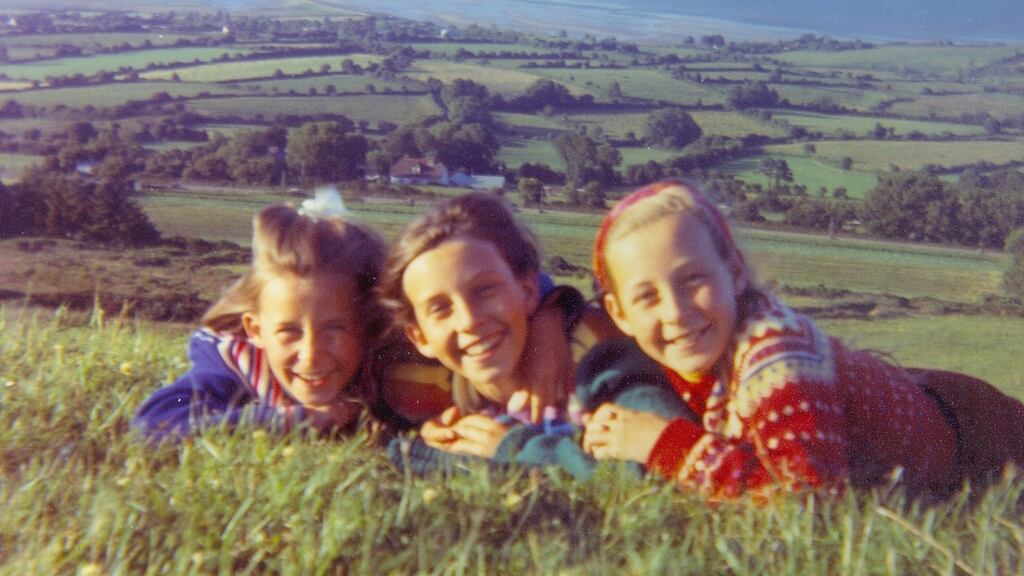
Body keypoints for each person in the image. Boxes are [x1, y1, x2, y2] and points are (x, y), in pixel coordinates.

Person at [581, 180, 1024, 499]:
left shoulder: (778, 361)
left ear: (734, 272)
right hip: (931, 401)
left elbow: (805, 502)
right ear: (620, 314)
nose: (676, 311)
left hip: (982, 443)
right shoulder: (697, 345)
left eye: (693, 278)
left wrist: (665, 445)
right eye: (647, 296)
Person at [377, 192, 689, 476]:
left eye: (485, 290)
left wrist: (516, 449)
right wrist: (437, 440)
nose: (469, 320)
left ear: (527, 290)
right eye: (440, 309)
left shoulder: (598, 358)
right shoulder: (432, 390)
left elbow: (657, 465)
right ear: (420, 338)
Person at [133, 191, 392, 441]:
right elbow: (155, 425)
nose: (311, 354)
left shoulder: (383, 364)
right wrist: (294, 420)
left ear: (365, 325)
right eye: (289, 331)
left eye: (335, 329)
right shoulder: (232, 365)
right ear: (255, 330)